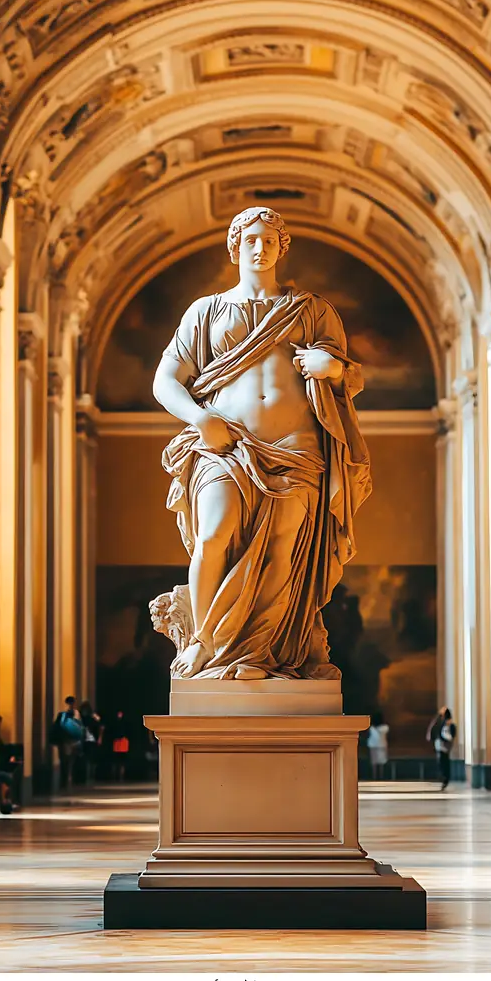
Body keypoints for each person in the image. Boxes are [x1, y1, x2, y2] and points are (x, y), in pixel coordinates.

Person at [150, 207, 372, 680]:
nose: (260, 247)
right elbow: (165, 380)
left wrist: (331, 369)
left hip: (297, 449)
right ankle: (206, 643)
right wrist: (198, 416)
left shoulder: (311, 311)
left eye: (270, 240)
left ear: (282, 248)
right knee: (213, 535)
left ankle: (254, 653)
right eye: (251, 239)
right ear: (235, 246)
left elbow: (352, 376)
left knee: (281, 551)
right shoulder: (206, 311)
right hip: (225, 444)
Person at [50, 696, 84, 789]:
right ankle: (68, 777)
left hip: (67, 740)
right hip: (69, 740)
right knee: (68, 760)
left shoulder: (64, 713)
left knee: (67, 760)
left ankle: (66, 778)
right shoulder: (72, 713)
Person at [427, 705, 457, 790]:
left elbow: (437, 730)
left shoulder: (445, 722)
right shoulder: (444, 722)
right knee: (443, 762)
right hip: (443, 746)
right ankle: (445, 779)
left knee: (443, 763)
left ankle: (445, 779)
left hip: (443, 746)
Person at [79, 701, 103, 783]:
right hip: (90, 740)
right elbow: (100, 727)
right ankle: (89, 776)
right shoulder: (92, 717)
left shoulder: (83, 717)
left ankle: (87, 777)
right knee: (90, 759)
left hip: (86, 740)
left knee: (88, 758)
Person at [108, 710, 130, 782]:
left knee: (122, 762)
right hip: (117, 743)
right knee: (116, 761)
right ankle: (114, 776)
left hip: (123, 743)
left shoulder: (124, 723)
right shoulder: (115, 723)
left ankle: (121, 777)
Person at [367, 711, 389, 780]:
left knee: (374, 762)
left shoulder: (372, 728)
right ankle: (381, 777)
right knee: (381, 762)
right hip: (382, 745)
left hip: (373, 746)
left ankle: (374, 777)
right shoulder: (385, 727)